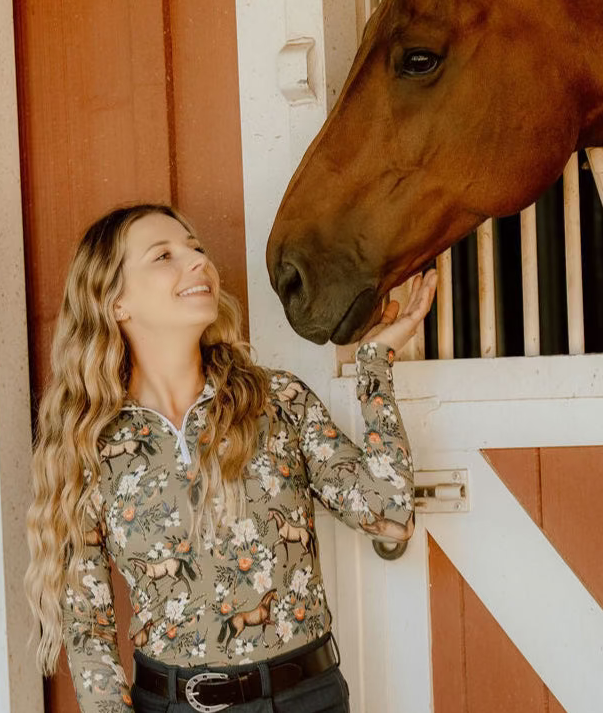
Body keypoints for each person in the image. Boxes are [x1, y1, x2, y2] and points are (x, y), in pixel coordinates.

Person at [25, 203, 438, 713]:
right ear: (115, 304)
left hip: (305, 699)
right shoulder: (88, 445)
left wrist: (375, 367)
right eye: (164, 256)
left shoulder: (276, 400)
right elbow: (89, 630)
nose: (198, 261)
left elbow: (391, 516)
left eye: (196, 249)